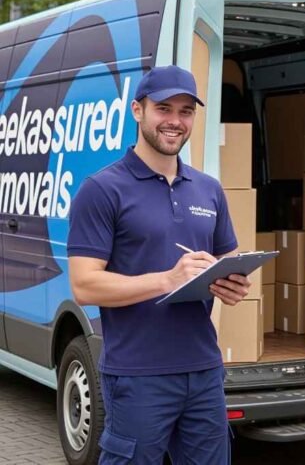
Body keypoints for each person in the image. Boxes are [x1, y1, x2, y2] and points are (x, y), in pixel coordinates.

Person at [68, 65, 252, 464]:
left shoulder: (209, 189)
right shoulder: (102, 190)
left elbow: (225, 262)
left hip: (203, 371)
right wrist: (167, 279)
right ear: (138, 110)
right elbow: (84, 286)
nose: (175, 121)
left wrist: (232, 284)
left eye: (186, 111)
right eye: (163, 109)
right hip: (138, 375)